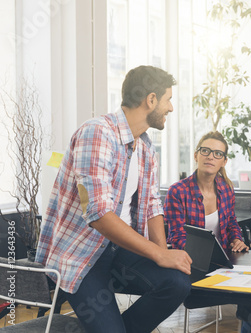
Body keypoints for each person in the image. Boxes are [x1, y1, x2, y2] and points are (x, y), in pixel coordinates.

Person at [35, 65, 192, 333]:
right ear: (151, 99)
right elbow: (97, 213)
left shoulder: (144, 146)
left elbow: (152, 203)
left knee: (177, 282)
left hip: (122, 251)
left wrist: (163, 254)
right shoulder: (97, 133)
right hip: (83, 255)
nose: (171, 108)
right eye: (168, 99)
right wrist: (157, 254)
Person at [165, 131, 248, 253]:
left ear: (224, 162)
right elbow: (178, 238)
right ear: (195, 156)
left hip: (223, 258)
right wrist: (207, 255)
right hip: (190, 260)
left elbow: (231, 222)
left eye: (218, 153)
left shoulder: (226, 189)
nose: (210, 157)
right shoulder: (177, 192)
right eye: (205, 151)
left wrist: (237, 240)